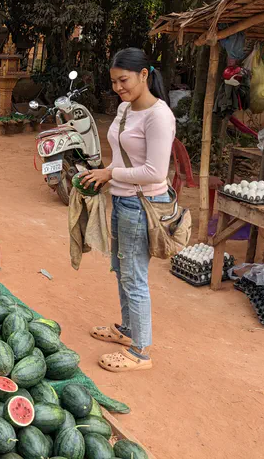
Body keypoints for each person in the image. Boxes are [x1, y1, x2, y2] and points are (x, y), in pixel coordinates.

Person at [79, 48, 175, 373]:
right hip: (121, 199)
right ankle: (127, 330)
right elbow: (121, 158)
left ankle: (140, 352)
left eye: (124, 80)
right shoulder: (123, 109)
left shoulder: (159, 116)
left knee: (134, 276)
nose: (119, 87)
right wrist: (100, 174)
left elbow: (155, 172)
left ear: (144, 74)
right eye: (114, 82)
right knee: (120, 270)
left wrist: (110, 174)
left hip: (142, 204)